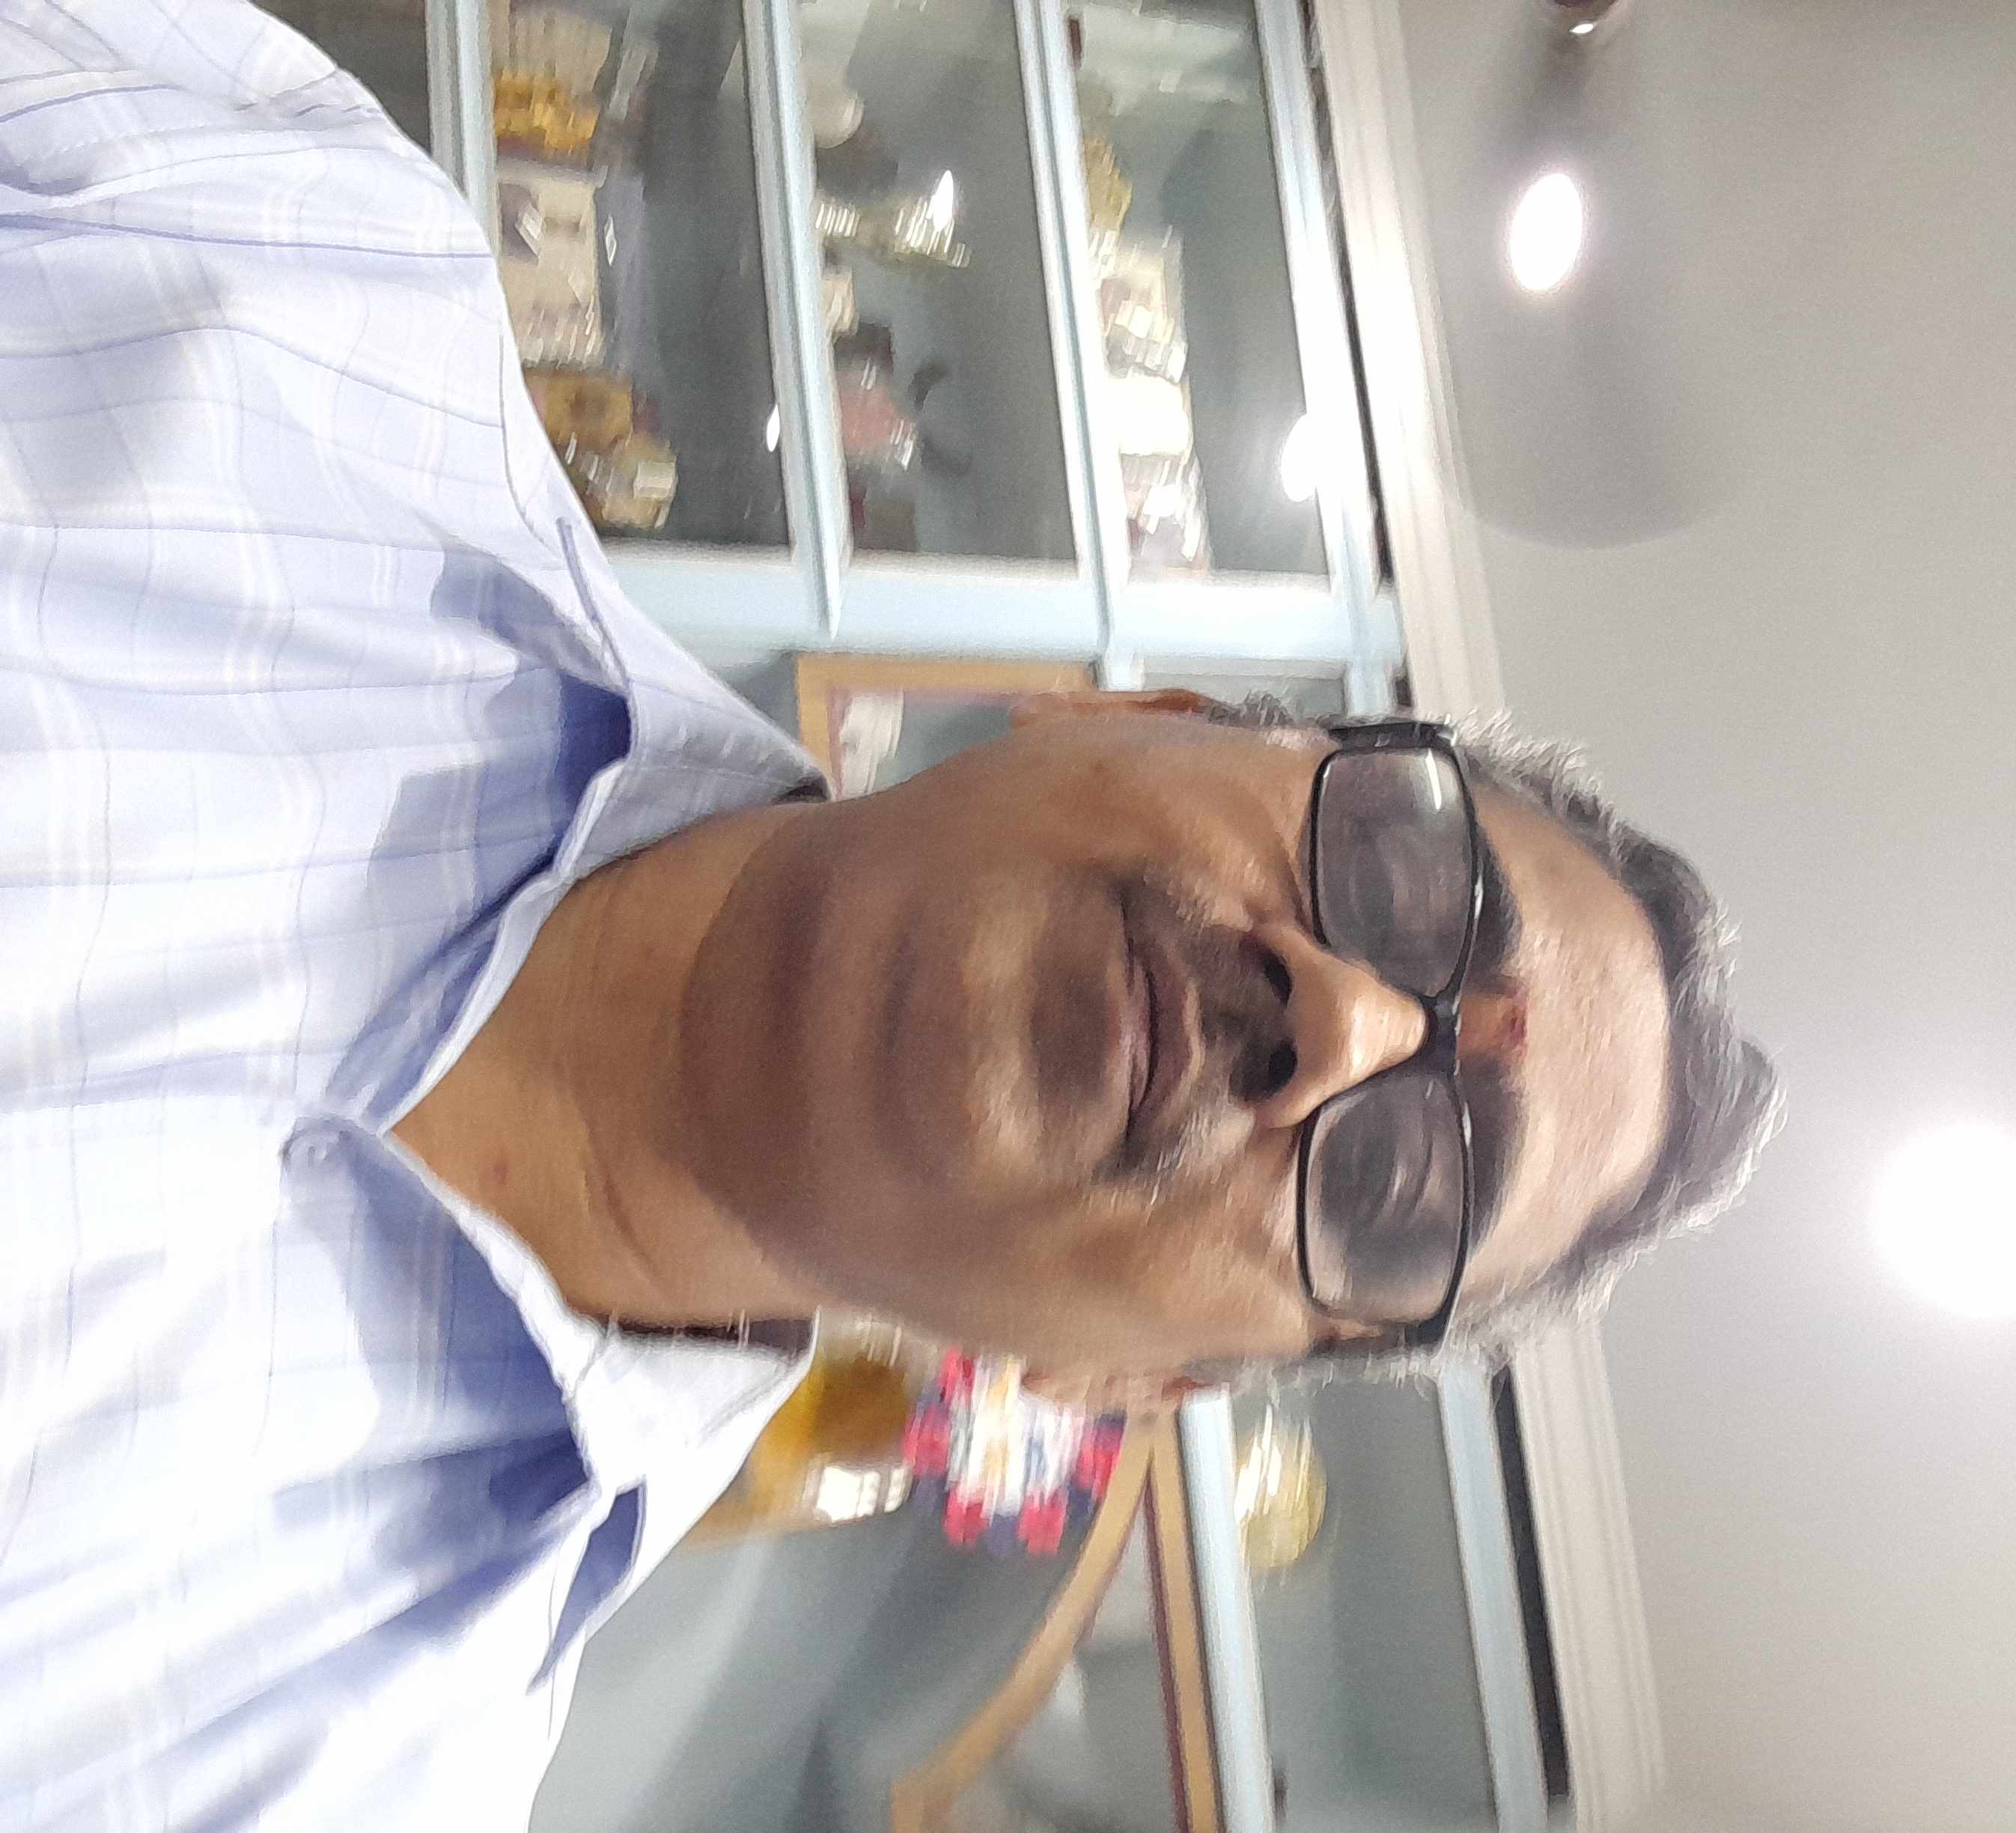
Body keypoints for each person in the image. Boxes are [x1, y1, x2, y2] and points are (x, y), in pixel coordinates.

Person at [0, 1, 1779, 1829]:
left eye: (1399, 1187)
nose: (1341, 1025)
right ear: (1124, 712)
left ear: (1128, 1381)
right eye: (1397, 875)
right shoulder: (281, 260)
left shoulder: (327, 1775)